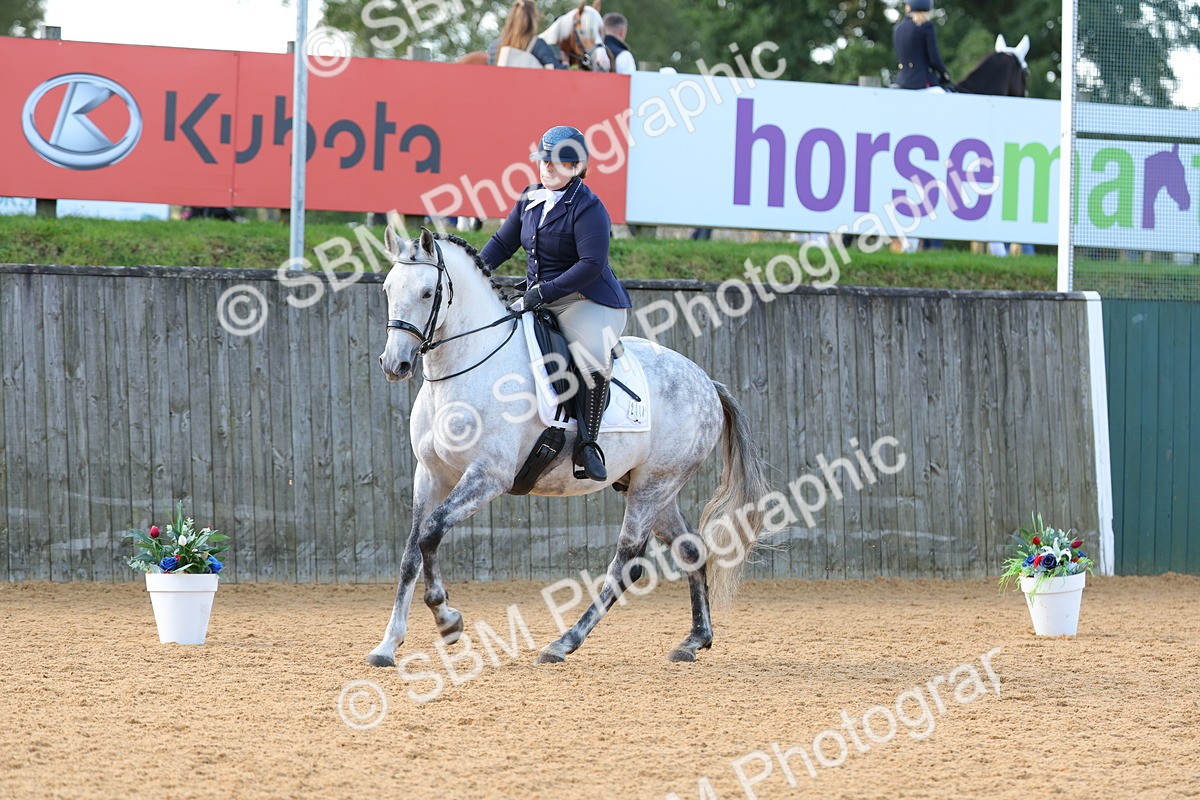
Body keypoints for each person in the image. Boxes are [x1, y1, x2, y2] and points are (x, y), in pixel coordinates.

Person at [480, 126, 631, 482]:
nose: (546, 167)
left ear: (577, 167)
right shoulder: (530, 198)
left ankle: (589, 445)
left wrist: (544, 293)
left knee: (591, 356)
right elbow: (502, 245)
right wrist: (473, 273)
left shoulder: (589, 208)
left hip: (588, 300)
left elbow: (591, 265)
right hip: (541, 299)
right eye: (543, 160)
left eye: (556, 162)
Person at [892, 0, 953, 90]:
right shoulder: (926, 26)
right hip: (921, 82)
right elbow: (934, 58)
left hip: (900, 81)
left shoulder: (897, 28)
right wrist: (944, 75)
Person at [486, 0, 564, 69]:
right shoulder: (537, 44)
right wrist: (565, 62)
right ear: (532, 20)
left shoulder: (494, 46)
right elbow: (557, 72)